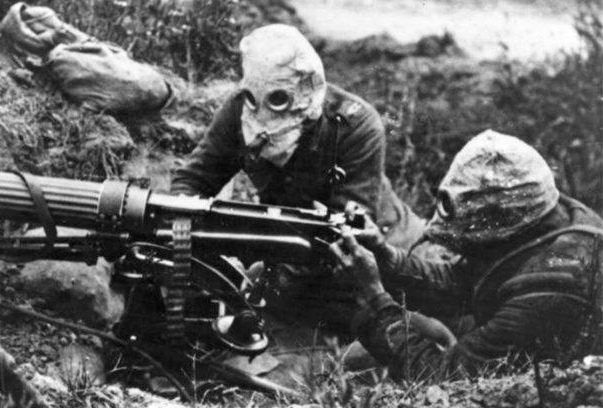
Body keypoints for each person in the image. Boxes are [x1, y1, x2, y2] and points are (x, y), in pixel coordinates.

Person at [170, 24, 425, 330]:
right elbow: (194, 179)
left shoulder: (356, 125)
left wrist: (260, 282)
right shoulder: (239, 112)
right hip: (291, 247)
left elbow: (345, 237)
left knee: (392, 336)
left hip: (378, 252)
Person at [330, 130, 603, 381]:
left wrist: (375, 299)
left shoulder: (553, 288)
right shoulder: (543, 216)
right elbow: (464, 280)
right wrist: (388, 260)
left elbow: (443, 377)